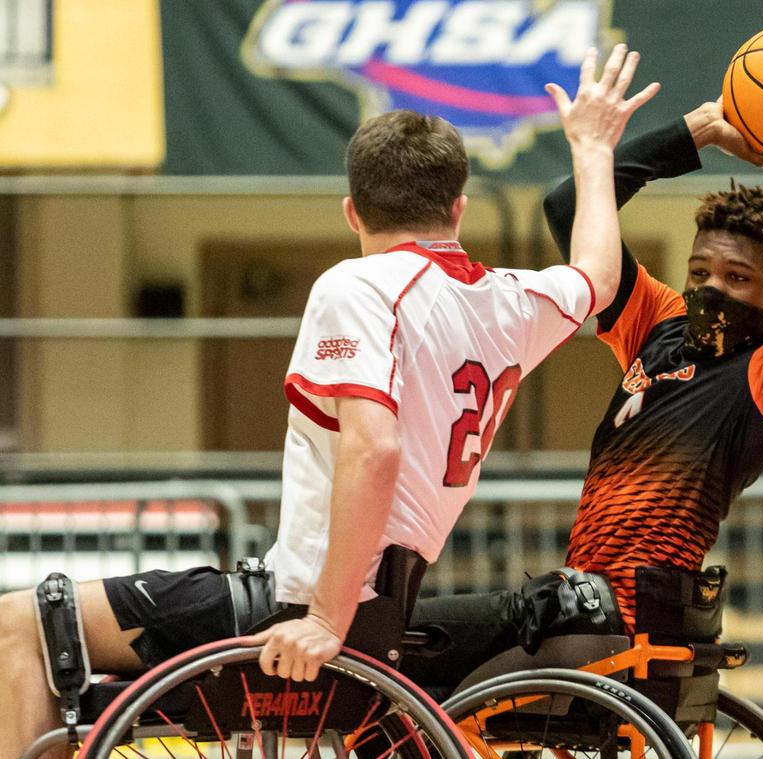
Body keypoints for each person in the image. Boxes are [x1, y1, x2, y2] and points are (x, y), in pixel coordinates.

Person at [0, 44, 658, 758]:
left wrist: (324, 615)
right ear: (458, 207)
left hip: (310, 600)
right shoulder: (507, 302)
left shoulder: (357, 287)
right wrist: (592, 150)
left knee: (22, 622)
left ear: (351, 210)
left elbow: (374, 447)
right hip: (382, 601)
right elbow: (597, 273)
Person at [401, 93, 763, 688]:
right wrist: (695, 131)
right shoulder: (661, 324)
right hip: (571, 605)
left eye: (738, 278)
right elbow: (569, 205)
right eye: (700, 272)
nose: (712, 288)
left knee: (398, 658)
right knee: (397, 648)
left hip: (615, 625)